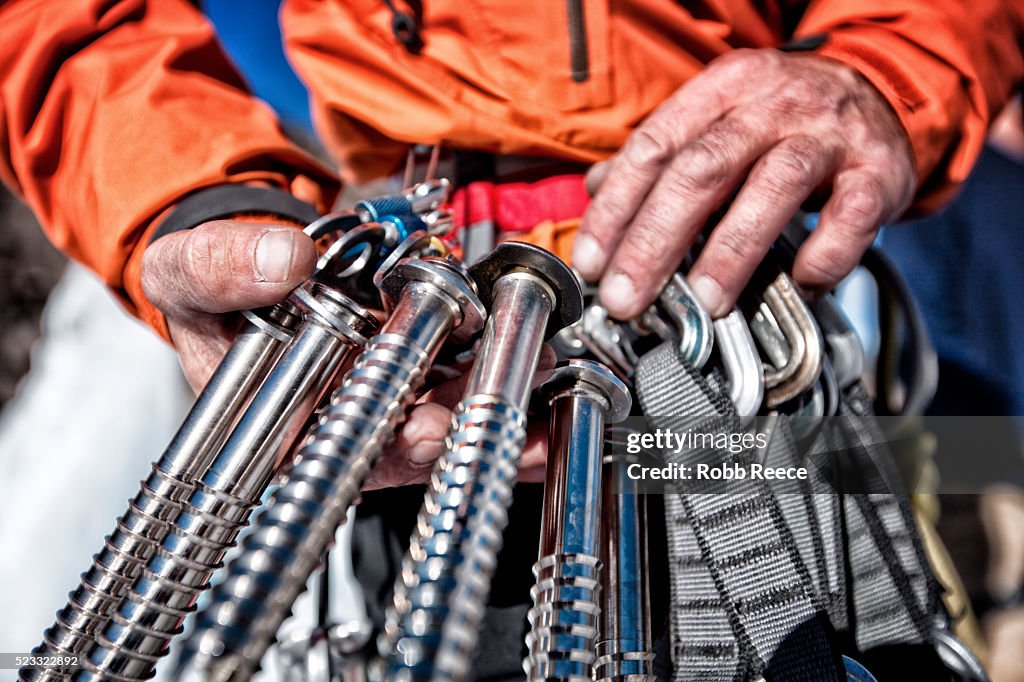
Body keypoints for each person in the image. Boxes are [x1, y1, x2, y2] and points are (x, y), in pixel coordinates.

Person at [1, 0, 1022, 677]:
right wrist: (187, 194)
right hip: (434, 296)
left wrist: (891, 66)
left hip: (712, 307)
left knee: (818, 642)